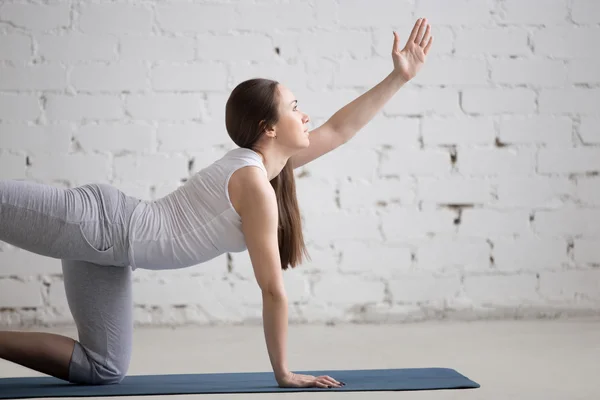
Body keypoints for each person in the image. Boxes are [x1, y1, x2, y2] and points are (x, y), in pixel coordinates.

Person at [0, 18, 432, 389]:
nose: (305, 116)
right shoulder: (254, 184)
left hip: (111, 254)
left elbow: (340, 129)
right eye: (295, 108)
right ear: (269, 129)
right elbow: (272, 290)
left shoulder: (266, 166)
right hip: (95, 224)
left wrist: (400, 77)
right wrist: (284, 372)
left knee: (104, 368)